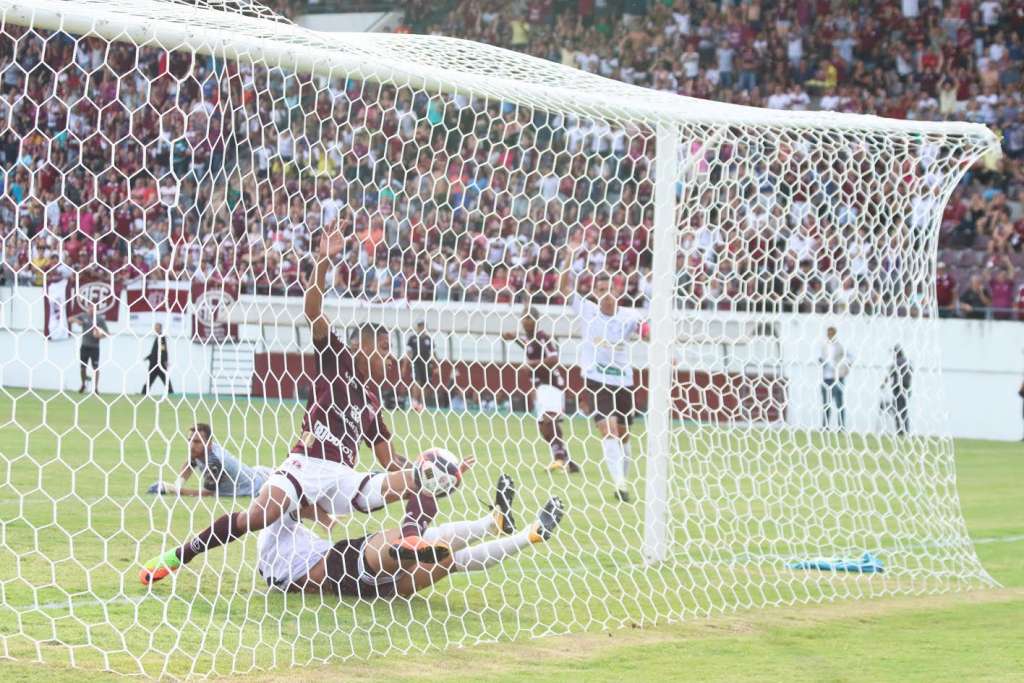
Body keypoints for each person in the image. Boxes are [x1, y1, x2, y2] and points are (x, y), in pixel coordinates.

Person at [139, 219, 462, 586]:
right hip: (305, 463)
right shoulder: (337, 361)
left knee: (416, 481)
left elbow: (392, 463)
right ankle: (179, 555)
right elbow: (313, 313)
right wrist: (324, 262)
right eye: (384, 349)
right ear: (361, 347)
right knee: (261, 515)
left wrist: (433, 471)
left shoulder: (373, 402)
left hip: (342, 478)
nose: (390, 359)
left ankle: (410, 538)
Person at [257, 475, 564, 600]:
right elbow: (299, 500)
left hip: (364, 592)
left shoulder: (276, 564)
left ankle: (526, 533)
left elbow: (304, 505)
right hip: (341, 562)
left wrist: (321, 516)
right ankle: (496, 523)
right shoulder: (274, 516)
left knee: (450, 561)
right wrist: (322, 513)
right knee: (417, 539)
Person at [558, 229, 645, 502]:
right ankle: (619, 484)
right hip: (596, 379)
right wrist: (570, 256)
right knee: (607, 428)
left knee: (624, 435)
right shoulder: (587, 310)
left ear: (617, 290)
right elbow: (564, 288)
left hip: (623, 380)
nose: (605, 294)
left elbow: (646, 330)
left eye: (609, 289)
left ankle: (623, 478)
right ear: (595, 293)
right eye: (600, 289)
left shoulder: (630, 316)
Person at [503, 305, 577, 473]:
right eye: (524, 318)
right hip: (540, 386)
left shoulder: (542, 337)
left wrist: (530, 365)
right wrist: (515, 338)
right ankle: (567, 460)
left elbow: (553, 359)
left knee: (549, 420)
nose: (526, 321)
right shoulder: (530, 340)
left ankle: (558, 459)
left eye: (530, 318)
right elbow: (529, 347)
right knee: (543, 426)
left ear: (536, 320)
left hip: (551, 383)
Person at [146, 423, 271, 498]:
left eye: (196, 442)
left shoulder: (215, 462)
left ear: (209, 443)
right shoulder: (201, 451)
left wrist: (171, 489)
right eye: (189, 440)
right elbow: (190, 462)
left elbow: (208, 493)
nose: (191, 445)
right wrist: (178, 484)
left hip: (262, 484)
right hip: (256, 471)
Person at [819, 326, 851, 430]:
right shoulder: (824, 346)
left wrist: (845, 370)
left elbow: (849, 358)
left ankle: (841, 427)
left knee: (839, 402)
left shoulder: (840, 347)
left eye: (832, 333)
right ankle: (825, 426)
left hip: (837, 377)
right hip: (826, 377)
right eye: (828, 333)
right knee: (826, 403)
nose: (830, 335)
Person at [75, 302, 108, 393]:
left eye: (93, 308)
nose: (91, 309)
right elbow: (70, 319)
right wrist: (77, 321)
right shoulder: (83, 316)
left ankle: (96, 388)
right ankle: (83, 385)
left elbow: (107, 333)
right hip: (84, 346)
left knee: (95, 368)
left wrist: (99, 336)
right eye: (89, 307)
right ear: (87, 308)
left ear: (96, 309)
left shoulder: (100, 319)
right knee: (82, 367)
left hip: (95, 347)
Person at [403, 320, 433, 412]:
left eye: (423, 326)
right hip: (416, 363)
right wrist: (404, 366)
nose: (421, 328)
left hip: (427, 365)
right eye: (420, 326)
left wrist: (436, 366)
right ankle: (414, 403)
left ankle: (422, 404)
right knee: (417, 381)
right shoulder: (413, 338)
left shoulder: (429, 339)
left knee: (425, 385)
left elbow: (433, 353)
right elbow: (408, 353)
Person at [141, 322, 173, 395]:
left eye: (156, 327)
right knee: (150, 379)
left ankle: (171, 393)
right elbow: (155, 351)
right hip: (154, 363)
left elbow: (163, 350)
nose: (155, 328)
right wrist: (147, 357)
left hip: (159, 363)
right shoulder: (158, 337)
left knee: (164, 379)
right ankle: (143, 393)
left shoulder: (161, 337)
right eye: (155, 327)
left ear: (159, 328)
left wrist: (165, 360)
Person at [888, 345, 912, 436]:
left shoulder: (897, 362)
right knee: (904, 410)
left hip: (898, 389)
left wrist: (883, 384)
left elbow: (890, 374)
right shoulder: (907, 362)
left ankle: (900, 431)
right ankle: (905, 430)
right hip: (907, 389)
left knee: (898, 410)